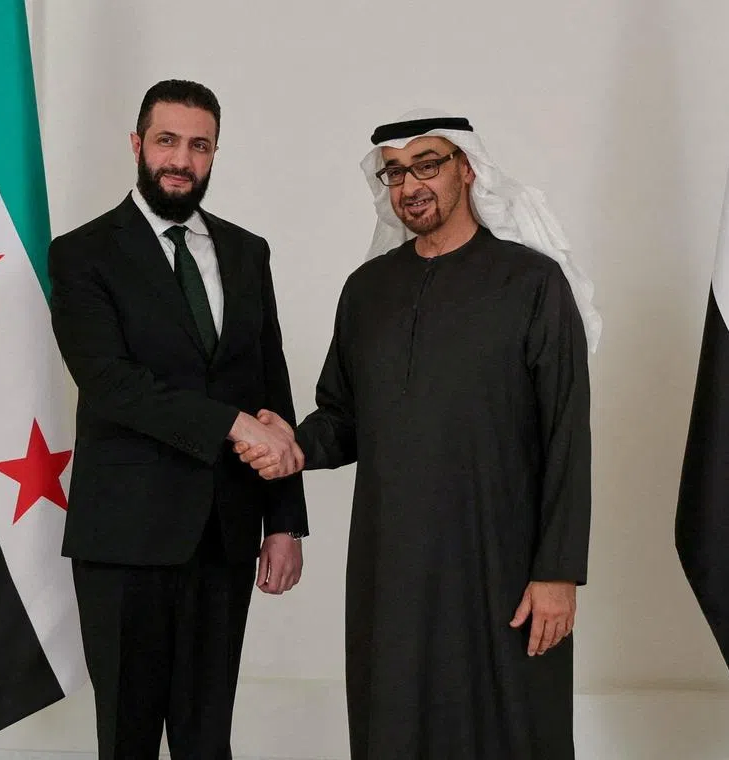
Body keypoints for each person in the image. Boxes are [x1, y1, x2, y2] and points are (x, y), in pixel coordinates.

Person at [238, 110, 599, 759]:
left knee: (513, 727)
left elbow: (567, 434)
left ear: (466, 169)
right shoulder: (367, 290)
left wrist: (559, 572)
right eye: (395, 172)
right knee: (397, 724)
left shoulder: (533, 283)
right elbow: (343, 418)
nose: (410, 186)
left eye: (427, 165)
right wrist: (291, 444)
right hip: (392, 569)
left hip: (505, 564)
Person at [48, 79, 308, 760]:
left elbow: (270, 389)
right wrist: (231, 425)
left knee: (206, 741)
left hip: (225, 535)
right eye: (167, 140)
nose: (181, 159)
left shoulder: (248, 252)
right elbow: (111, 385)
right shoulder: (81, 254)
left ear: (214, 154)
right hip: (125, 540)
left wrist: (283, 521)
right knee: (127, 741)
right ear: (138, 145)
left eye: (198, 145)